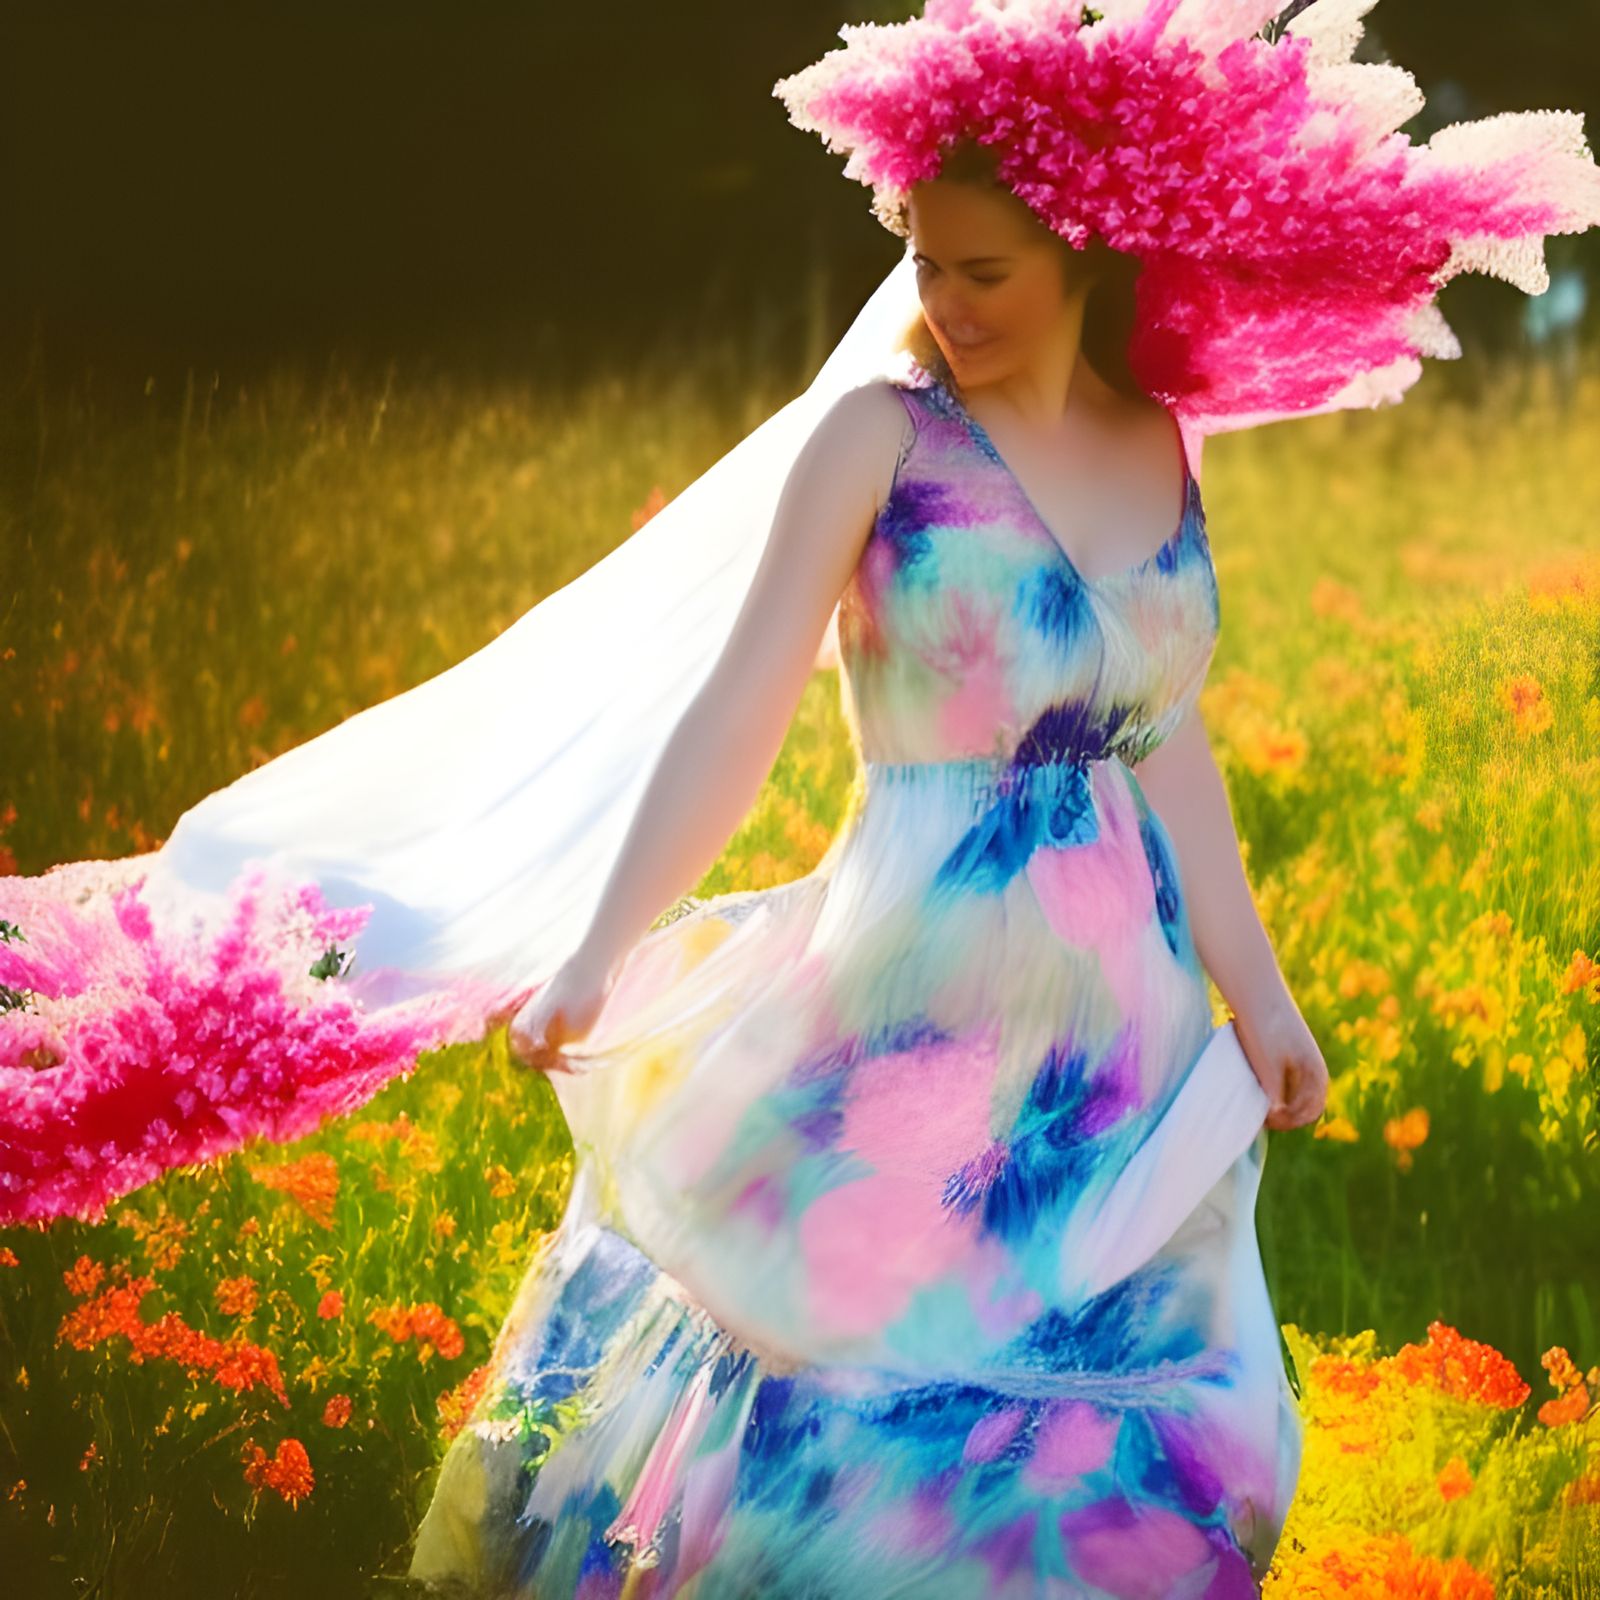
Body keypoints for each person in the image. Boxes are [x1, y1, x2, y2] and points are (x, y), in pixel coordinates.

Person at [405, 136, 1317, 1598]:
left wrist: (1258, 998)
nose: (946, 300)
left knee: (1101, 1400)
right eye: (927, 261)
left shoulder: (1157, 437)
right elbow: (740, 711)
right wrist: (595, 951)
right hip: (919, 1020)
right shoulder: (882, 442)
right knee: (868, 1387)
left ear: (1082, 252)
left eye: (987, 270)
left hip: (1111, 1040)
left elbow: (1162, 736)